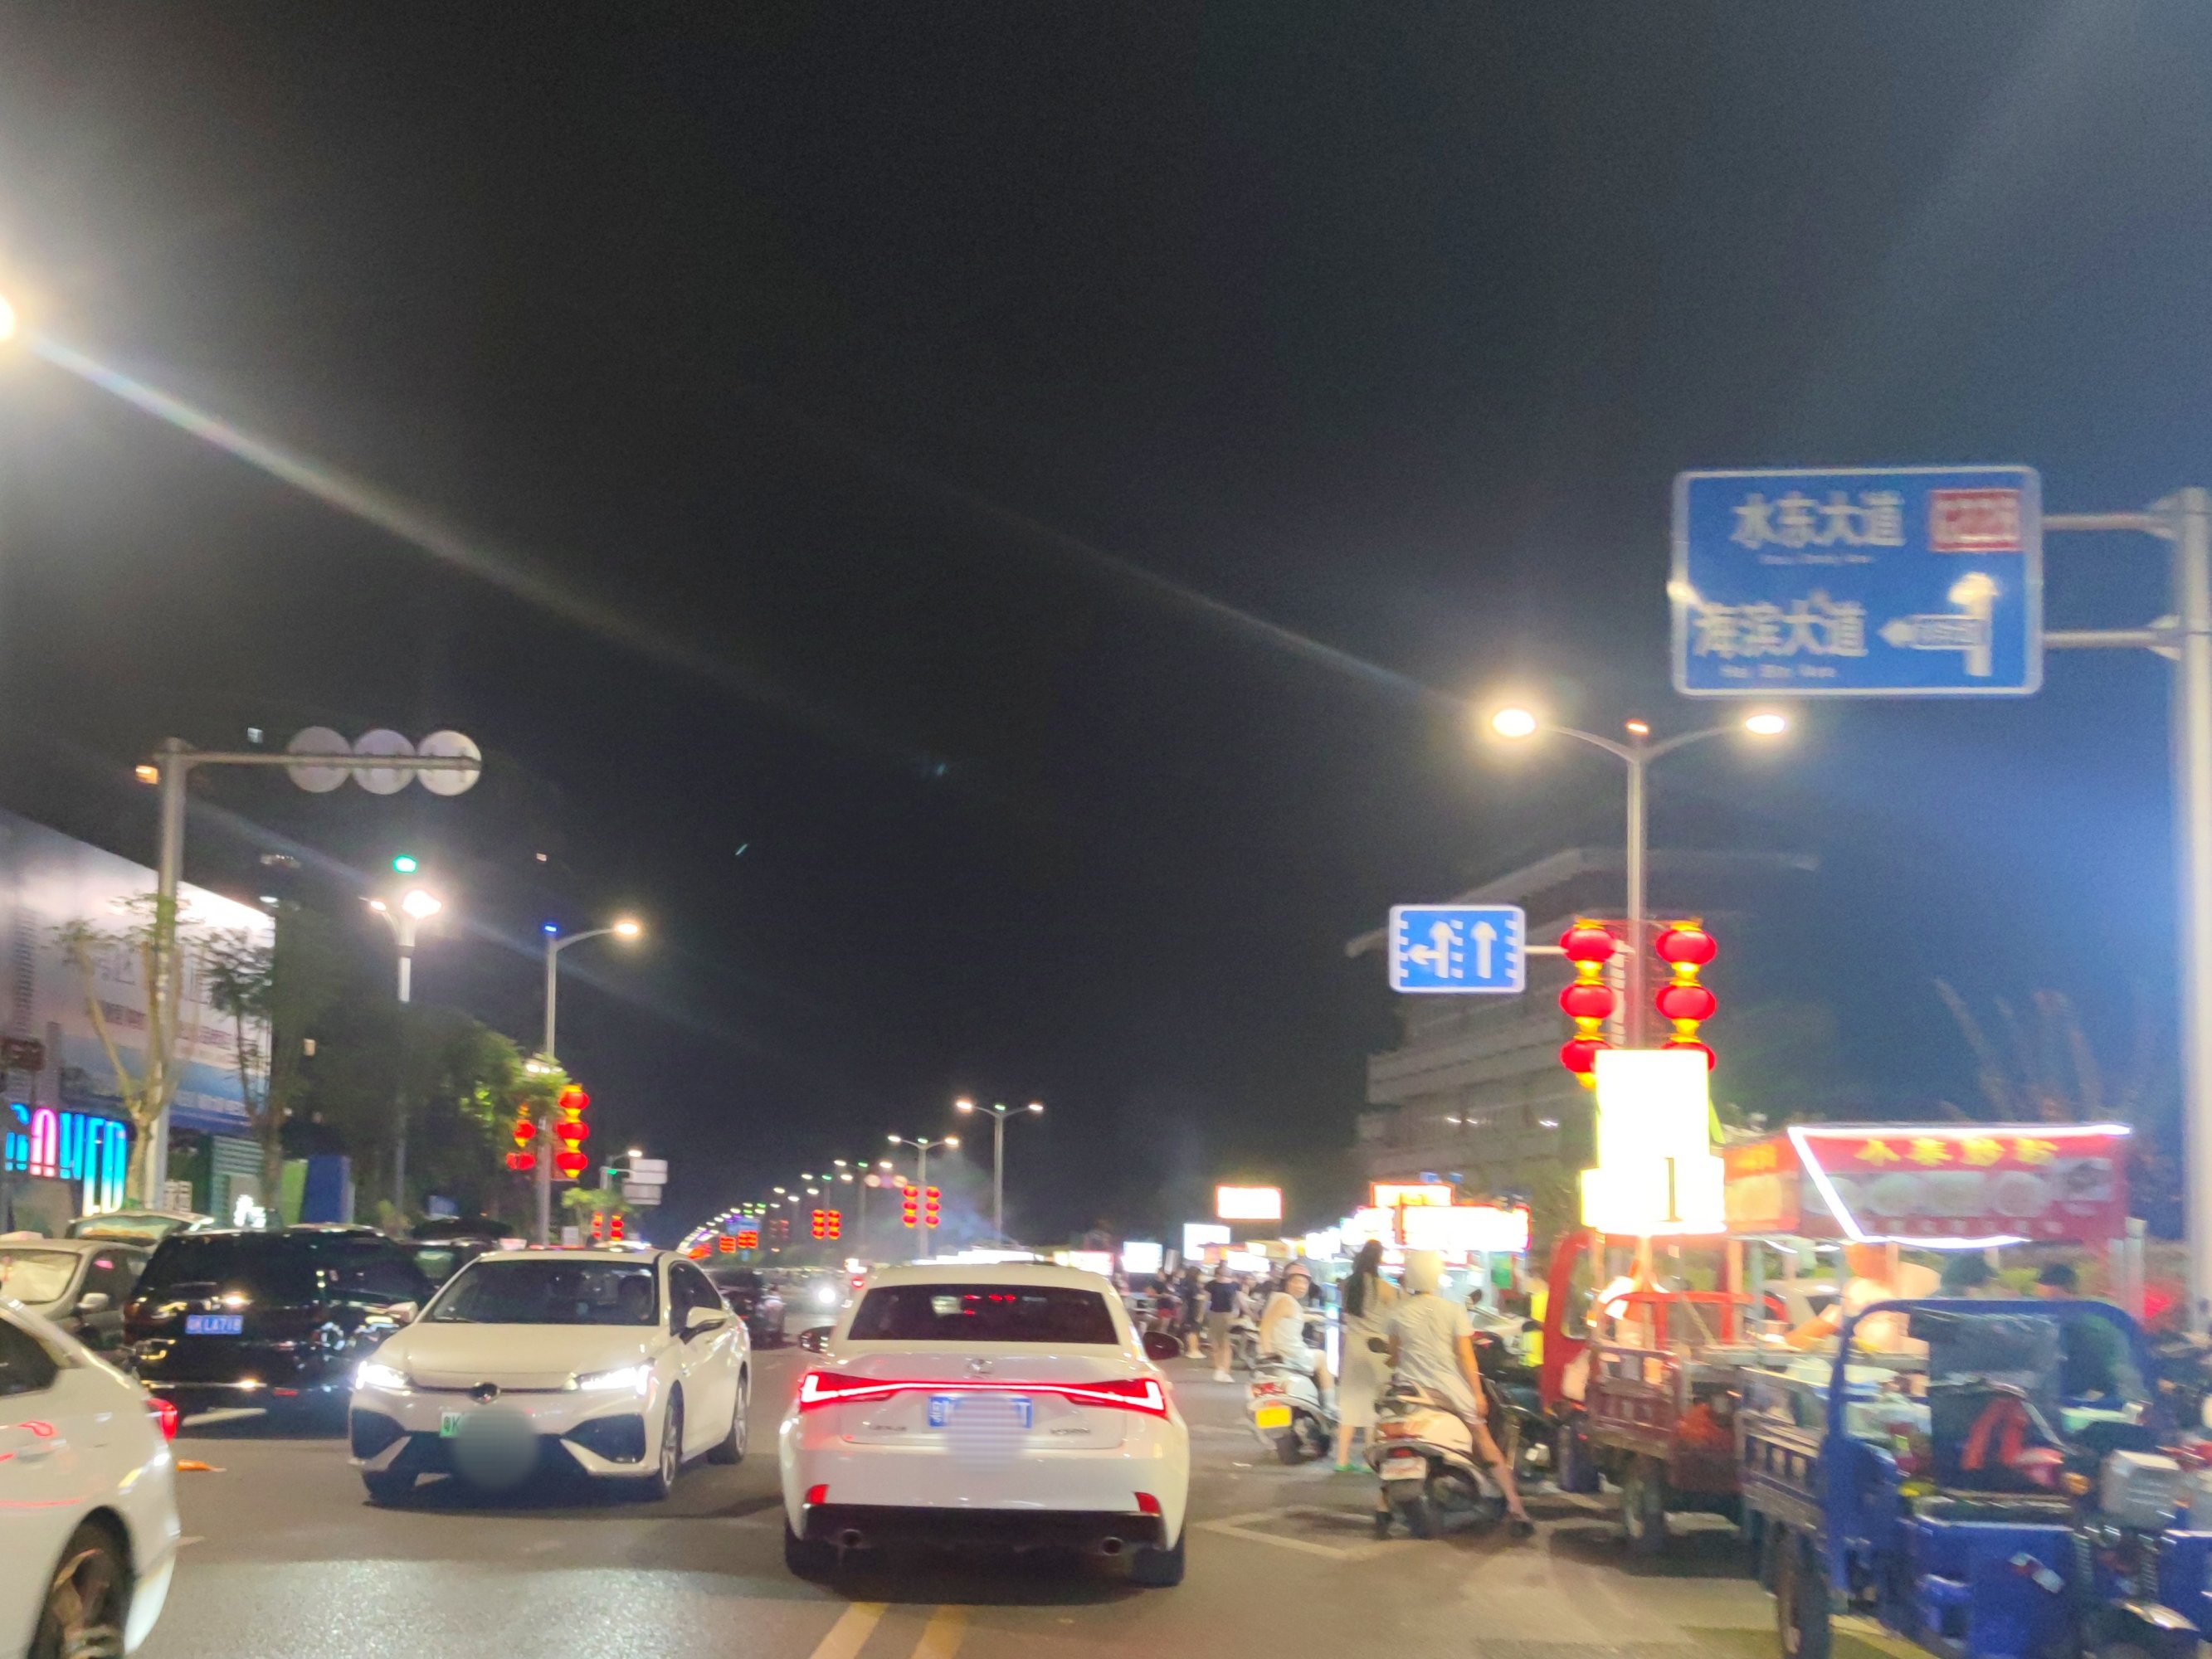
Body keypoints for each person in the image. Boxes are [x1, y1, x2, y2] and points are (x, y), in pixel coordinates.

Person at [1384, 1249, 1532, 1535]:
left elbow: (1393, 1355)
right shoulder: (1452, 1310)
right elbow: (1465, 1356)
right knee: (1483, 1438)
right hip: (1448, 1388)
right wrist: (1477, 1394)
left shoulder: (1397, 1312)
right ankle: (1516, 1506)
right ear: (1435, 1275)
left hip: (1410, 1388)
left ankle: (1383, 1507)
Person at [1333, 1238, 1399, 1471]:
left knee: (1350, 1404)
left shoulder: (1347, 1285)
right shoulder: (1386, 1288)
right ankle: (1368, 1461)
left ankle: (1341, 1460)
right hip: (1377, 1348)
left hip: (1352, 1348)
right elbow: (1395, 1322)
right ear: (1379, 1259)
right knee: (1374, 1404)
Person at [2034, 1261, 2136, 1401]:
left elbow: (2104, 1368)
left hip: (2090, 1396)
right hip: (2065, 1394)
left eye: (2046, 1286)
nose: (2040, 1292)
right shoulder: (2048, 1322)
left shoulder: (2094, 1323)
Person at [1257, 1261, 1333, 1404]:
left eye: (1305, 1283)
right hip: (1290, 1354)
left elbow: (1292, 1317)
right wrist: (1268, 1354)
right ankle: (1330, 1407)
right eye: (1296, 1281)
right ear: (1287, 1282)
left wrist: (1315, 1318)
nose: (1301, 1286)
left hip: (1283, 1352)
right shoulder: (1286, 1301)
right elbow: (1265, 1327)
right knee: (1322, 1358)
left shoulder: (1280, 1297)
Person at [1206, 1262, 1242, 1381]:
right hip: (1214, 1314)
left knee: (1226, 1343)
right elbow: (1206, 1301)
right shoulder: (1211, 1284)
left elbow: (1239, 1301)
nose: (1226, 1270)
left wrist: (1238, 1313)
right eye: (1223, 1268)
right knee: (1216, 1343)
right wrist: (1202, 1315)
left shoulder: (1235, 1285)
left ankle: (1226, 1370)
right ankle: (1219, 1369)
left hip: (1228, 1315)